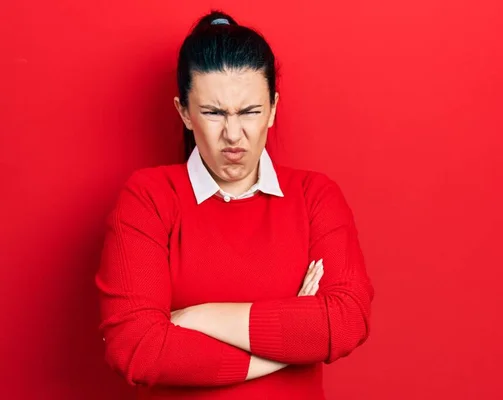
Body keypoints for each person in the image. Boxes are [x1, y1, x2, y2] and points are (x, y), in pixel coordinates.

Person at [95, 10, 374, 399]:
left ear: (273, 108)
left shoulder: (315, 197)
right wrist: (290, 341)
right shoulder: (148, 199)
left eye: (250, 112)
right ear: (184, 113)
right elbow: (136, 349)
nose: (232, 135)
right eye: (213, 112)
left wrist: (196, 318)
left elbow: (345, 323)